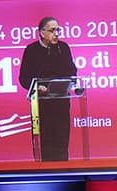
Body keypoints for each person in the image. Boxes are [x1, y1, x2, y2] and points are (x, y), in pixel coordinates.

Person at [18, 16, 78, 161]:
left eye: (58, 30)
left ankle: (64, 174)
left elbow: (72, 71)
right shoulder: (31, 50)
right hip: (41, 106)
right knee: (46, 146)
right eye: (52, 30)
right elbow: (24, 78)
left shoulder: (63, 48)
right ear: (42, 32)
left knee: (61, 144)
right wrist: (38, 87)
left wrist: (70, 82)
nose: (56, 33)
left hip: (61, 104)